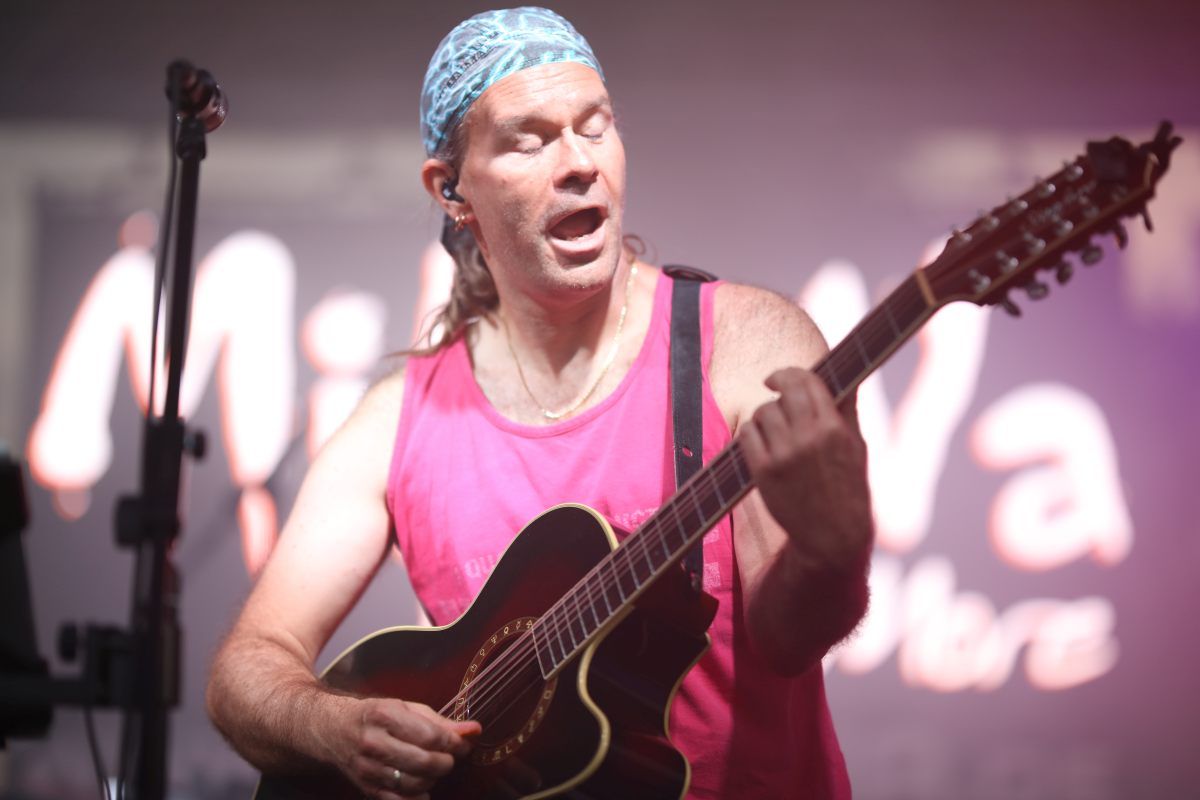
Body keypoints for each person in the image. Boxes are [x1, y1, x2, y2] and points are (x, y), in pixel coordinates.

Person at [206, 7, 873, 799]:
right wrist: (336, 728)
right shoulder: (399, 419)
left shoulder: (747, 344)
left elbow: (789, 638)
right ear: (451, 190)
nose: (579, 163)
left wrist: (834, 550)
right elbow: (245, 670)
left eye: (595, 126)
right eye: (528, 141)